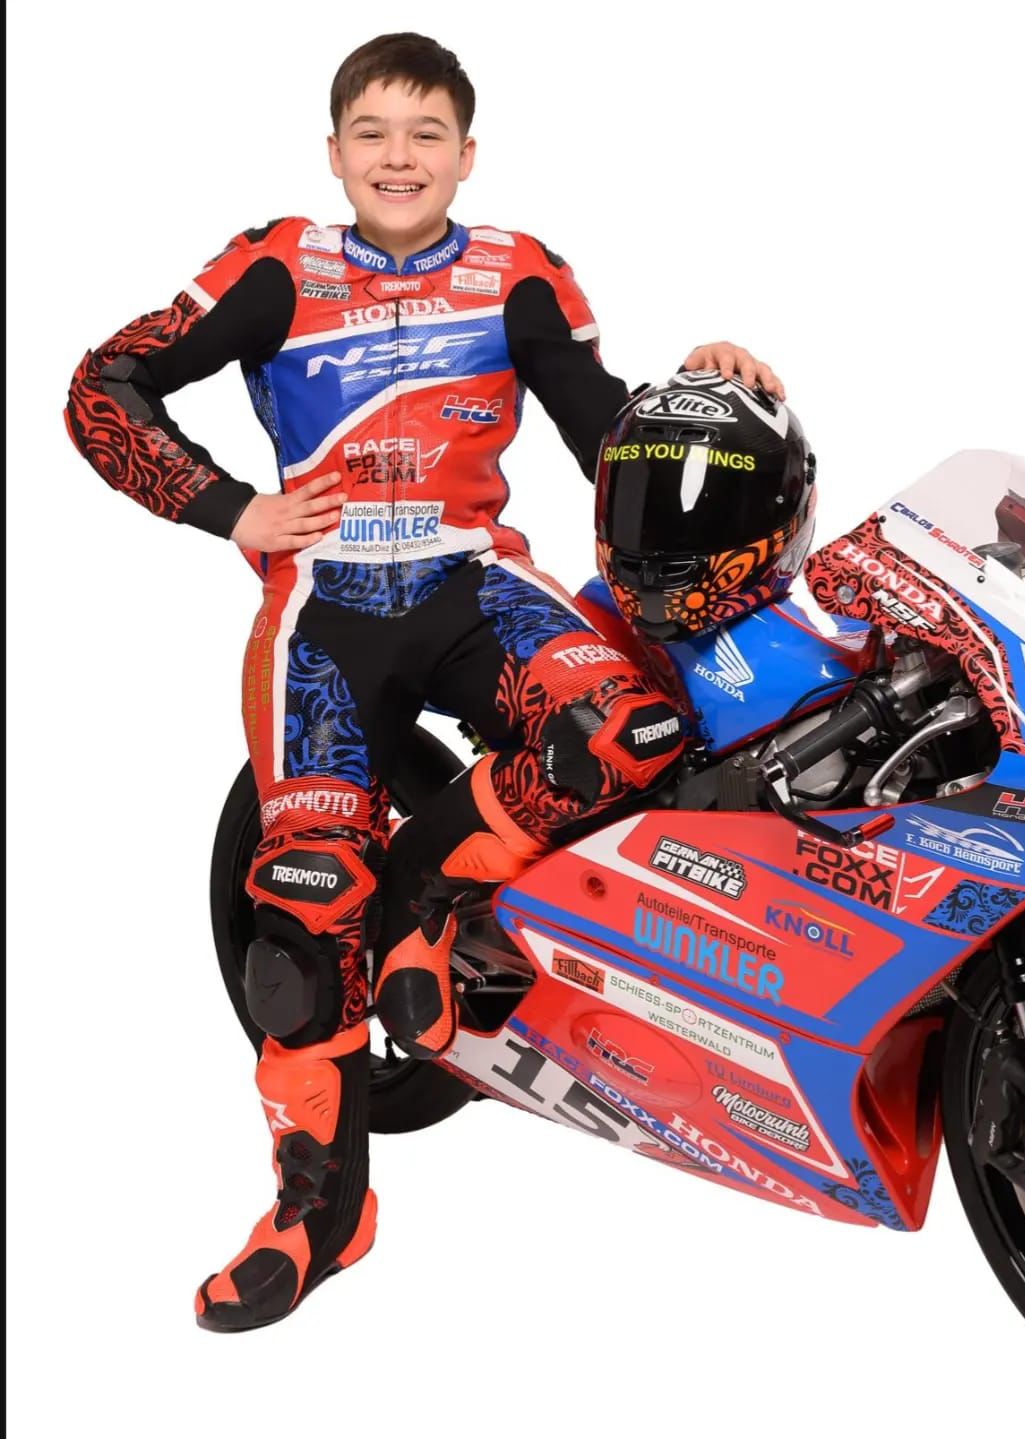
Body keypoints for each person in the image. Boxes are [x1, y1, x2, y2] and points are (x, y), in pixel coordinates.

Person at [63, 31, 784, 1332]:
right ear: (335, 153)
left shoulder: (520, 271)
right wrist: (229, 508)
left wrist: (702, 387)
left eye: (426, 134)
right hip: (322, 616)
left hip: (472, 585)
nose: (400, 157)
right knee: (302, 912)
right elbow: (102, 386)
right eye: (374, 134)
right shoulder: (276, 265)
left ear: (466, 154)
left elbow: (604, 435)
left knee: (629, 731)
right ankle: (320, 1213)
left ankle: (419, 899)